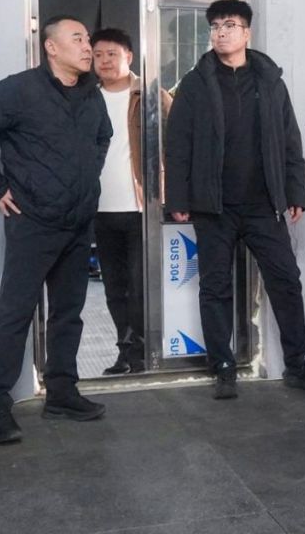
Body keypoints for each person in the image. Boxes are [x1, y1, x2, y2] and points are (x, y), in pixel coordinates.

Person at [0, 15, 112, 444]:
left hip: (78, 222)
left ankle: (61, 393)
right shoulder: (20, 91)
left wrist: (88, 178)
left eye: (88, 38)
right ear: (51, 48)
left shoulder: (91, 94)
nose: (87, 46)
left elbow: (103, 137)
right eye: (77, 38)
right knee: (15, 313)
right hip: (34, 223)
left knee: (68, 312)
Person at [164, 0, 305, 399]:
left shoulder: (270, 81)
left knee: (286, 280)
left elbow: (290, 140)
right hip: (213, 205)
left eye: (229, 25)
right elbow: (177, 145)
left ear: (247, 33)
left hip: (264, 203)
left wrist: (294, 191)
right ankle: (223, 366)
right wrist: (178, 196)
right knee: (215, 286)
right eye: (215, 26)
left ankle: (298, 363)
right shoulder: (195, 83)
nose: (221, 32)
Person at [89, 28, 172, 375]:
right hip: (99, 209)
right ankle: (126, 352)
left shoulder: (151, 96)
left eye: (112, 54)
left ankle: (141, 353)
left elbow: (176, 146)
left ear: (129, 56)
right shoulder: (86, 99)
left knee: (139, 288)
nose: (104, 61)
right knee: (114, 289)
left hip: (140, 209)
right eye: (97, 55)